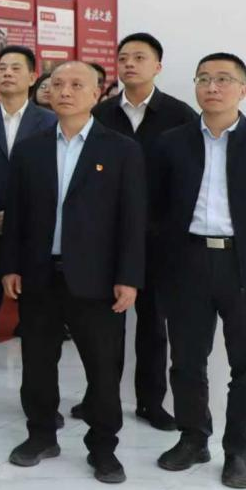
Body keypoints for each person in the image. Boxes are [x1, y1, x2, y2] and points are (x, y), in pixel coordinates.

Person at [151, 53, 246, 489]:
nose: (212, 87)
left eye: (223, 79)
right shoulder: (170, 144)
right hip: (187, 263)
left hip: (245, 267)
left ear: (243, 90)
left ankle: (239, 452)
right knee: (186, 361)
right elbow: (154, 205)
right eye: (204, 79)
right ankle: (193, 439)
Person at [0, 61, 144, 484]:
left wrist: (129, 277)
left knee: (102, 367)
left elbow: (132, 220)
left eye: (77, 84)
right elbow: (16, 215)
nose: (64, 91)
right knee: (37, 362)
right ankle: (41, 434)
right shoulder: (30, 150)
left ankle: (103, 447)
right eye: (57, 83)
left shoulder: (120, 149)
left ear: (97, 93)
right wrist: (11, 265)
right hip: (39, 275)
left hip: (97, 279)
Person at [79, 33, 197, 431]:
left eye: (140, 58)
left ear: (157, 66)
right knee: (102, 326)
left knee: (152, 324)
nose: (129, 64)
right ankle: (99, 398)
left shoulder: (179, 114)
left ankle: (150, 401)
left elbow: (188, 178)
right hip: (104, 237)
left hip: (158, 238)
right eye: (123, 57)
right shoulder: (100, 113)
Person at [0, 45, 57, 411]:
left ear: (33, 76)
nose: (7, 73)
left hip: (31, 237)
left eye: (16, 68)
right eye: (2, 67)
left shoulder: (50, 122)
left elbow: (54, 183)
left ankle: (40, 402)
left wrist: (17, 216)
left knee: (39, 325)